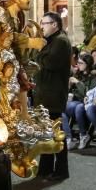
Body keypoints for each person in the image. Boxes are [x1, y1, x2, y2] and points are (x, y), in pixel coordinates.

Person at [33, 11, 72, 180]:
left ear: (54, 24)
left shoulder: (61, 41)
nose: (41, 26)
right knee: (46, 132)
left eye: (44, 23)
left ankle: (62, 169)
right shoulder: (51, 41)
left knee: (56, 133)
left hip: (53, 94)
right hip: (45, 93)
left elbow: (49, 62)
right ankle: (45, 168)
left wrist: (39, 51)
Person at [68, 53, 96, 149]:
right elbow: (71, 91)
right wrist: (69, 86)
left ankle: (83, 134)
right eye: (78, 63)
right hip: (74, 100)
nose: (78, 65)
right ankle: (68, 137)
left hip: (85, 101)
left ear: (87, 64)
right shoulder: (78, 74)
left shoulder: (94, 77)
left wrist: (77, 82)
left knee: (79, 107)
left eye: (81, 63)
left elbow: (88, 93)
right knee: (60, 108)